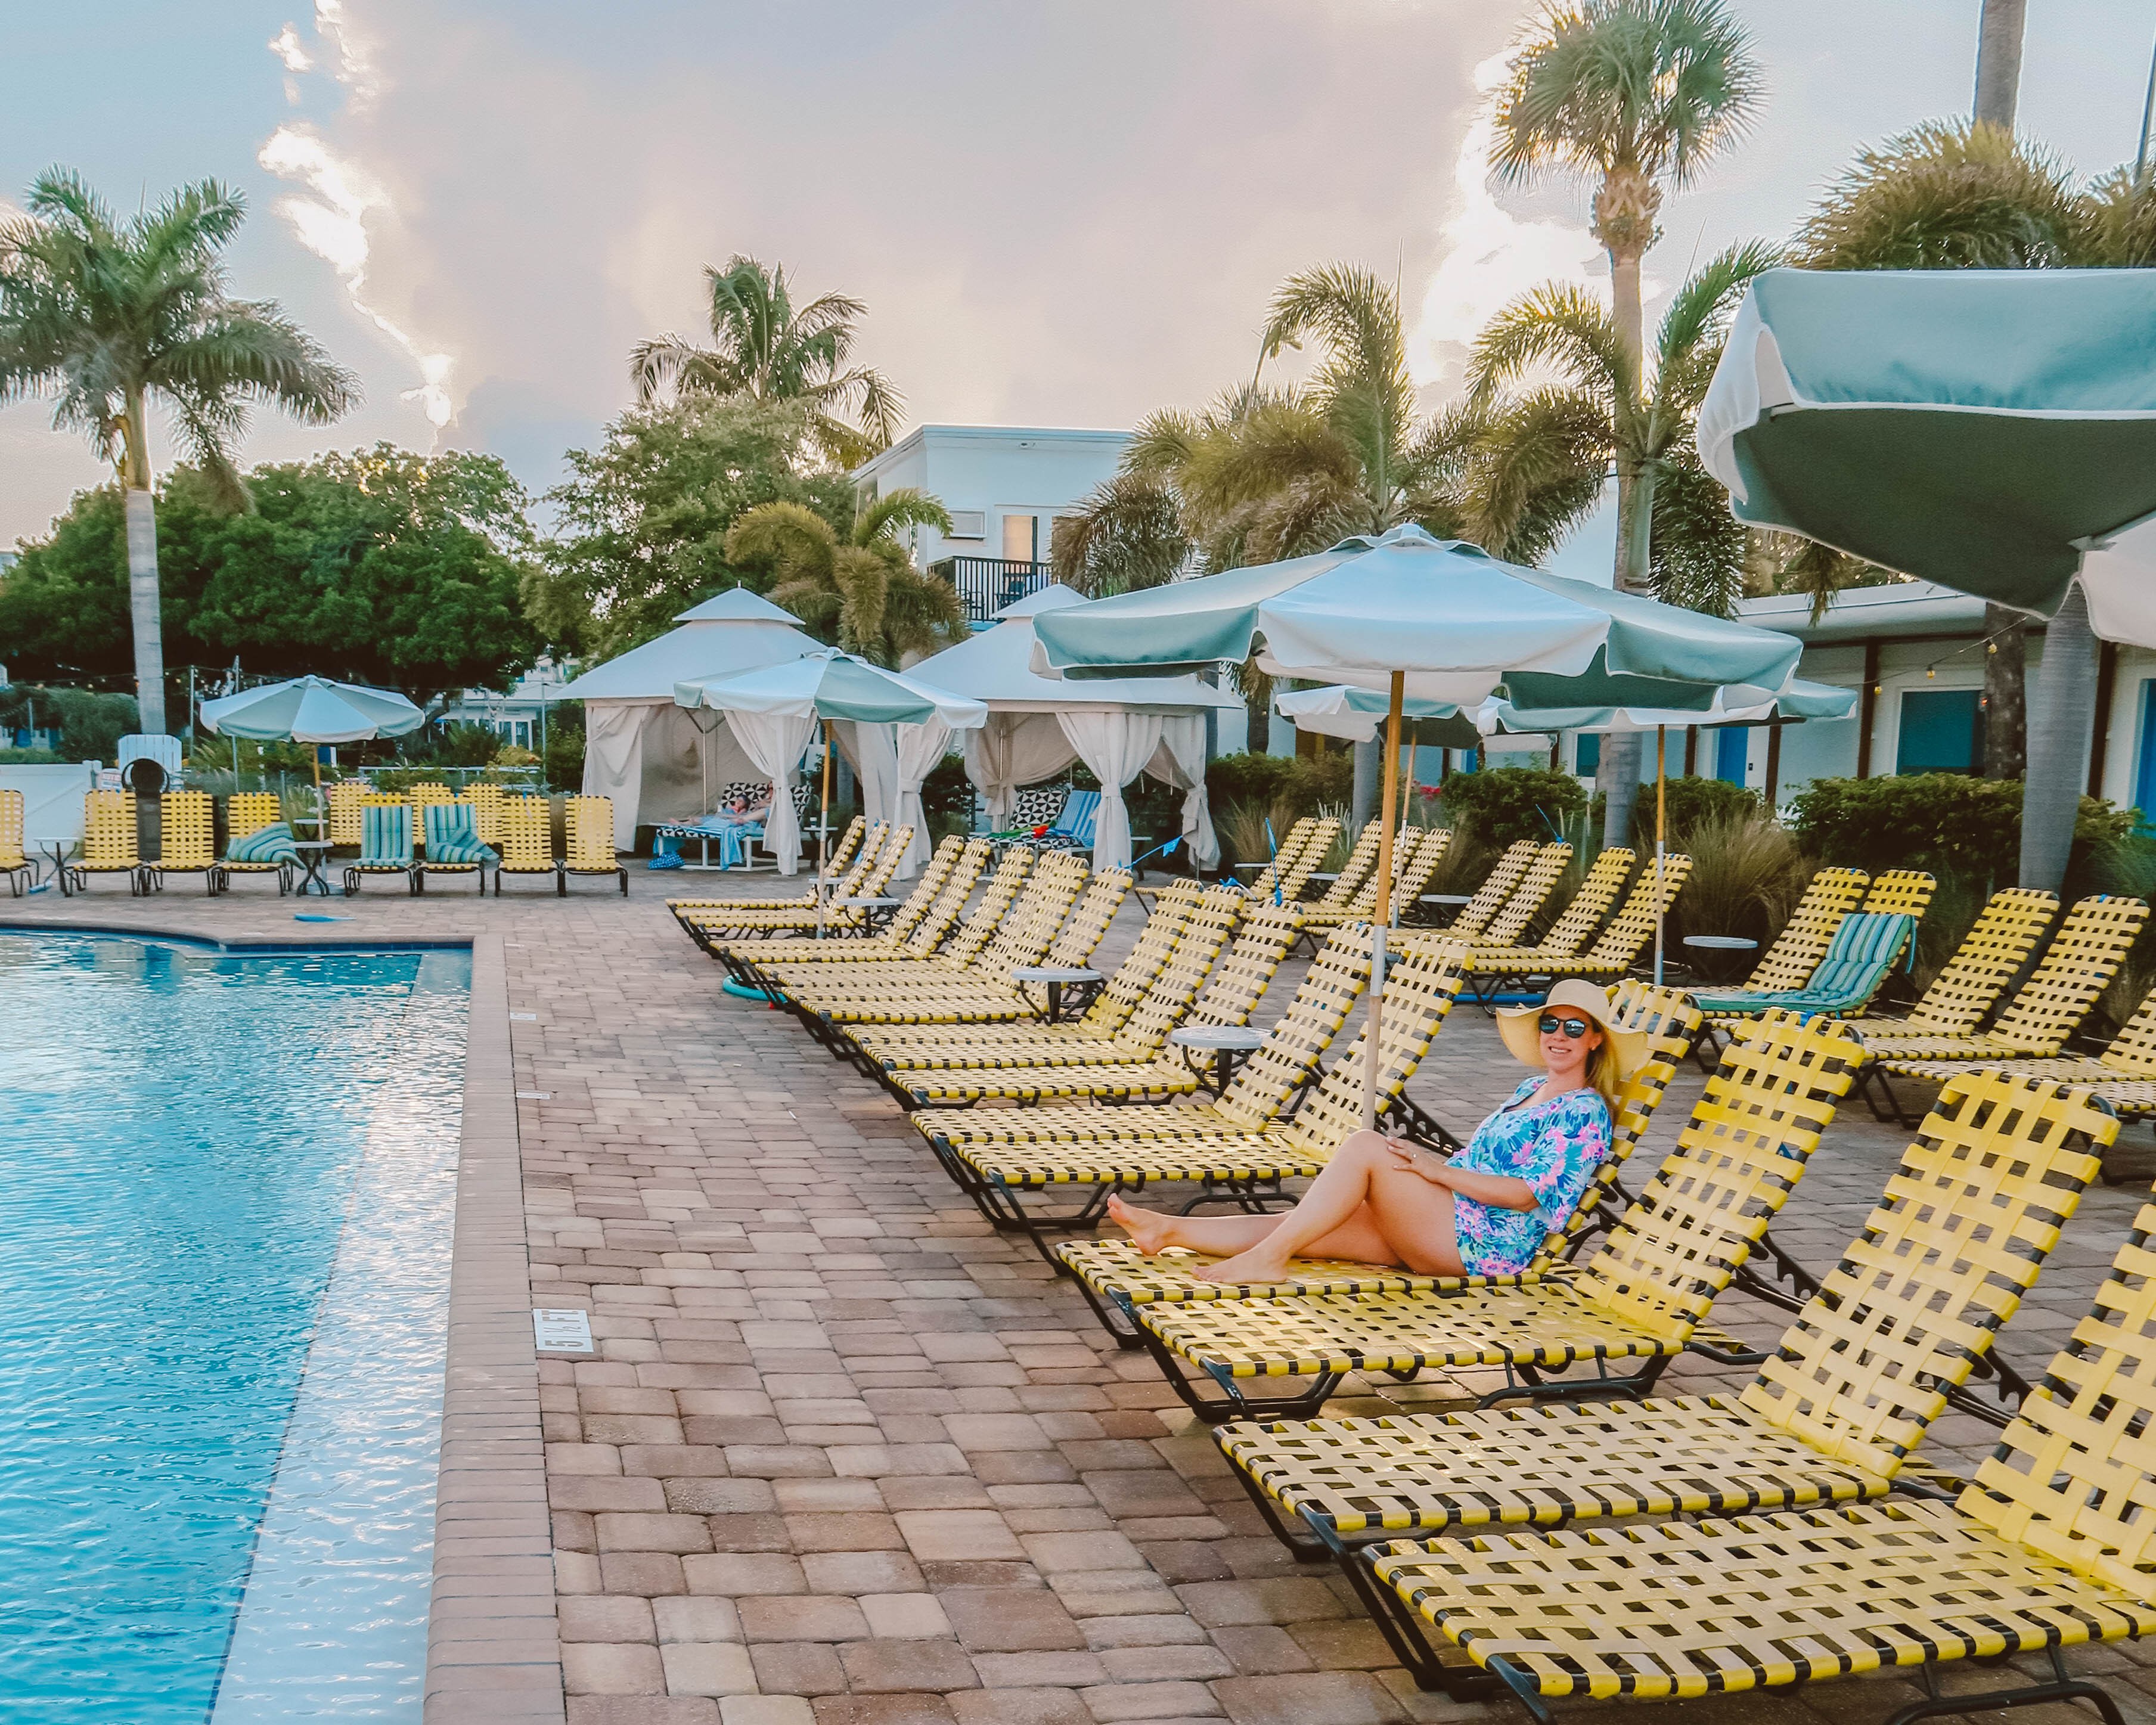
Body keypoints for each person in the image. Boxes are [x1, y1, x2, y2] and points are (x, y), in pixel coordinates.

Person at [1104, 981, 1644, 1284]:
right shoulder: (1530, 1089)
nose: (1559, 1036)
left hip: (1484, 1248)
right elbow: (1480, 1160)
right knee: (1310, 1224)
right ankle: (1168, 1232)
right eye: (1551, 1024)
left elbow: (1525, 1195)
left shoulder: (1582, 1112)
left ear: (1595, 1041)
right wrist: (1424, 1162)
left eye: (1575, 1028)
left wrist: (1433, 1171)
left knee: (1365, 1146)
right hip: (1453, 1220)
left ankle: (1266, 1262)